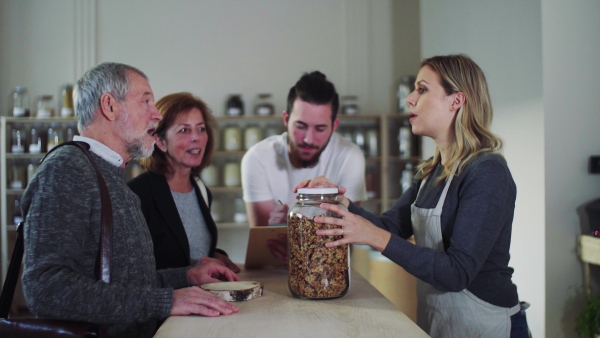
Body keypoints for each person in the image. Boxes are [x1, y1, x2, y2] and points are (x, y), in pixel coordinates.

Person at [296, 55, 531, 337]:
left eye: (422, 89)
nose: (409, 98)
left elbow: (456, 273)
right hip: (440, 323)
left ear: (456, 101)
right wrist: (341, 203)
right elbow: (389, 228)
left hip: (488, 325)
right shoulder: (430, 173)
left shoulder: (487, 173)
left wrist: (373, 236)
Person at [20, 62, 239, 338]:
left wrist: (187, 276)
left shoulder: (111, 177)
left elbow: (131, 284)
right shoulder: (67, 168)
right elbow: (46, 289)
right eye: (146, 101)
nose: (156, 114)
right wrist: (165, 300)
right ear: (110, 106)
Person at [241, 71, 367, 260]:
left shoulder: (350, 156)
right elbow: (267, 242)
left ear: (334, 126)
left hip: (329, 271)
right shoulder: (257, 157)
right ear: (285, 119)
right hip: (273, 269)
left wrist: (293, 241)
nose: (309, 139)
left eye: (320, 128)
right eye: (300, 126)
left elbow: (345, 239)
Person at [128, 92, 240, 273]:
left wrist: (214, 255)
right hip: (166, 301)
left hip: (200, 298)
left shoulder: (201, 190)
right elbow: (132, 273)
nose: (196, 137)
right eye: (184, 130)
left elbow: (187, 251)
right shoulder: (137, 194)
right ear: (161, 142)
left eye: (201, 128)